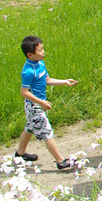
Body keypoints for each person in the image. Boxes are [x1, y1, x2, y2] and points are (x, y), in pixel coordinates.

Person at [15, 35, 79, 169]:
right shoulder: (28, 71)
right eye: (40, 50)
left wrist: (64, 82)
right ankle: (60, 161)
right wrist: (41, 103)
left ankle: (20, 154)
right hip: (34, 106)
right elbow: (24, 92)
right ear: (30, 54)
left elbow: (47, 80)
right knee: (46, 132)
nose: (43, 52)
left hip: (39, 104)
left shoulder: (40, 64)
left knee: (29, 128)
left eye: (43, 49)